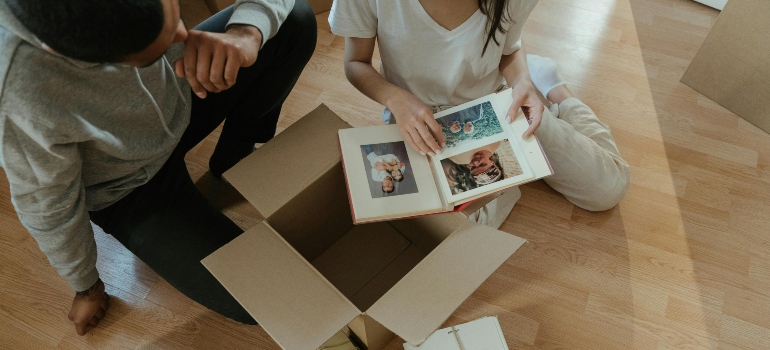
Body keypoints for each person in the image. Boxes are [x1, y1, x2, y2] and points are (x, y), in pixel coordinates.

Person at [0, 0, 316, 336]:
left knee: (294, 18)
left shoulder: (172, 37)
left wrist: (246, 32)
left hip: (183, 90)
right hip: (125, 186)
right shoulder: (19, 91)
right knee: (263, 298)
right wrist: (86, 286)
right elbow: (48, 208)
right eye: (152, 52)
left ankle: (234, 154)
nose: (183, 33)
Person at [330, 0, 630, 213]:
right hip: (418, 115)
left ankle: (557, 91)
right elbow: (356, 63)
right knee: (454, 229)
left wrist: (522, 81)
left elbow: (510, 48)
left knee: (607, 190)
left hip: (499, 99)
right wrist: (395, 98)